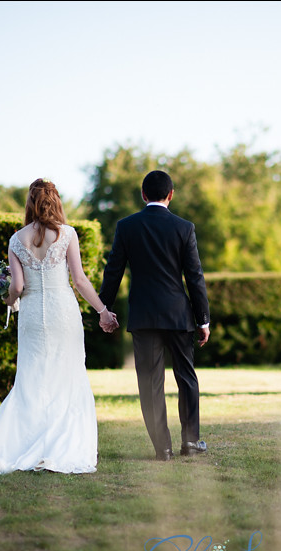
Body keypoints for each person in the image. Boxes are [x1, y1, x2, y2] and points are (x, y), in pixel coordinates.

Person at [0, 178, 119, 474]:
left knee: (31, 381)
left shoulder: (16, 240)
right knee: (67, 375)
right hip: (63, 314)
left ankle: (21, 445)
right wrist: (103, 311)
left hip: (31, 317)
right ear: (55, 201)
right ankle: (60, 445)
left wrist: (6, 297)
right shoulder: (68, 234)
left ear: (30, 203)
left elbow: (16, 286)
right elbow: (79, 281)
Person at [98, 170, 210, 462]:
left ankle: (163, 449)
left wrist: (104, 308)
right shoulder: (184, 228)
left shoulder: (126, 226)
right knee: (186, 377)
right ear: (171, 194)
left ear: (143, 195)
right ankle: (191, 442)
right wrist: (203, 319)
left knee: (150, 383)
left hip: (144, 316)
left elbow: (113, 272)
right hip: (178, 316)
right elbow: (195, 277)